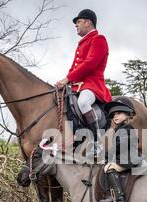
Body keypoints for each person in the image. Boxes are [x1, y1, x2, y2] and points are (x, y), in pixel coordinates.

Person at [55, 9, 112, 151]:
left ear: (88, 23)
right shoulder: (82, 43)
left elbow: (90, 64)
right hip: (77, 86)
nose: (76, 25)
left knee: (83, 102)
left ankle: (96, 142)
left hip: (92, 85)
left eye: (78, 22)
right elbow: (75, 67)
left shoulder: (99, 39)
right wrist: (64, 81)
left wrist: (67, 79)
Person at [99, 97, 143, 202]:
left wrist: (105, 155)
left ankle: (119, 197)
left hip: (128, 159)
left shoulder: (127, 129)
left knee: (109, 168)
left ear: (127, 114)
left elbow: (119, 146)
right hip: (125, 157)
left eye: (118, 113)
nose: (115, 116)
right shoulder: (122, 129)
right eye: (114, 115)